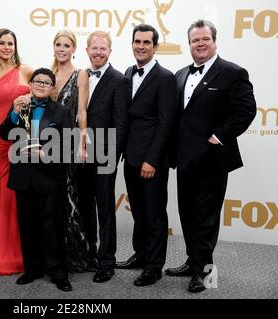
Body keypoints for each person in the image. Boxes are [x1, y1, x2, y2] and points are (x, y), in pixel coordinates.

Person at [165, 20, 256, 293]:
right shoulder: (180, 74)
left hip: (213, 160)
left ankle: (203, 272)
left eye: (205, 39)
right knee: (187, 214)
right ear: (189, 44)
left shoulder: (233, 72)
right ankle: (194, 261)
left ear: (215, 41)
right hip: (185, 160)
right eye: (195, 40)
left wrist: (219, 136)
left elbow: (246, 111)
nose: (200, 44)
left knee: (205, 218)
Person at [115, 24, 178, 287]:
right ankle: (140, 255)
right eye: (137, 41)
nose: (141, 46)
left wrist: (152, 160)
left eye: (146, 42)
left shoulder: (165, 77)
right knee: (139, 212)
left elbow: (167, 123)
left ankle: (154, 267)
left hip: (151, 159)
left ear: (155, 47)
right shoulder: (128, 72)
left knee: (154, 214)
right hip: (130, 156)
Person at [0, 68, 72, 292]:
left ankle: (58, 272)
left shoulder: (61, 111)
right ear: (30, 84)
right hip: (23, 176)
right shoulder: (19, 106)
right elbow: (4, 133)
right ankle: (32, 269)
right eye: (37, 81)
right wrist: (13, 111)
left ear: (52, 88)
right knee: (27, 225)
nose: (41, 85)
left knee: (52, 226)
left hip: (50, 177)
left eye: (46, 82)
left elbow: (68, 145)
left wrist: (45, 155)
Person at [0, 28, 33, 275]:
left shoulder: (27, 71)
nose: (7, 47)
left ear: (16, 46)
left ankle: (19, 249)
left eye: (11, 43)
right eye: (2, 43)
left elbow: (45, 95)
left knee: (16, 189)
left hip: (19, 135)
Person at [77, 31, 130, 283]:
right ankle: (90, 255)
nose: (98, 52)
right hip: (78, 153)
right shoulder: (82, 75)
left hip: (104, 155)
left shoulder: (119, 80)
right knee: (85, 205)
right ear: (87, 50)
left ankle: (107, 261)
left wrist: (110, 156)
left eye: (103, 49)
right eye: (94, 48)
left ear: (110, 51)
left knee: (105, 209)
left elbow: (121, 124)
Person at [50, 30, 95, 273]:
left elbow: (82, 112)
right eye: (58, 44)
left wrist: (82, 144)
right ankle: (57, 254)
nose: (62, 49)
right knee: (55, 199)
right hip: (48, 144)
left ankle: (78, 255)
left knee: (69, 197)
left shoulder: (81, 74)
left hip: (70, 142)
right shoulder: (48, 73)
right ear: (53, 47)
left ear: (74, 49)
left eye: (67, 45)